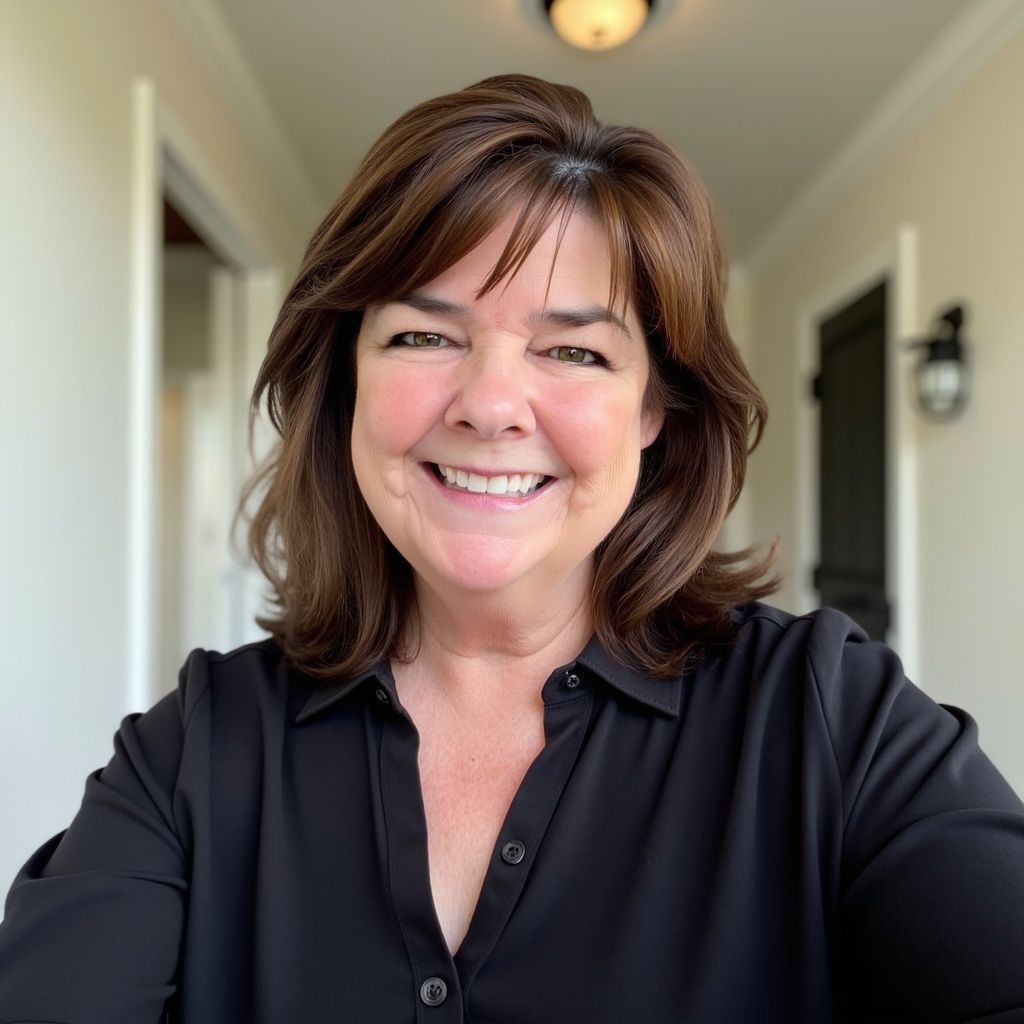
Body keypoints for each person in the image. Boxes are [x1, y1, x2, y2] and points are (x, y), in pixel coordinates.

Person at [1, 73, 1022, 1023]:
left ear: (654, 410)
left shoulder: (827, 718)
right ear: (346, 377)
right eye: (423, 335)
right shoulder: (196, 751)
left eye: (574, 350)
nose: (491, 405)